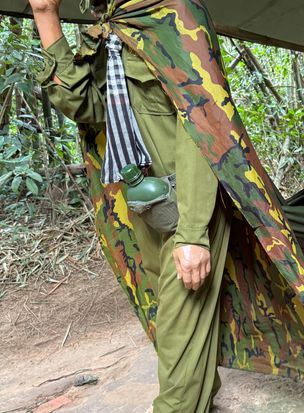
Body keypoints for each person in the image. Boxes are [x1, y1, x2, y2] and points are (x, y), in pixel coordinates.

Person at [30, 0, 229, 411]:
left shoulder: (175, 12)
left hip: (189, 205)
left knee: (178, 332)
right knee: (173, 326)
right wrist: (45, 14)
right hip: (145, 206)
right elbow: (88, 107)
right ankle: (202, 393)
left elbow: (203, 121)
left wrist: (193, 233)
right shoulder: (112, 27)